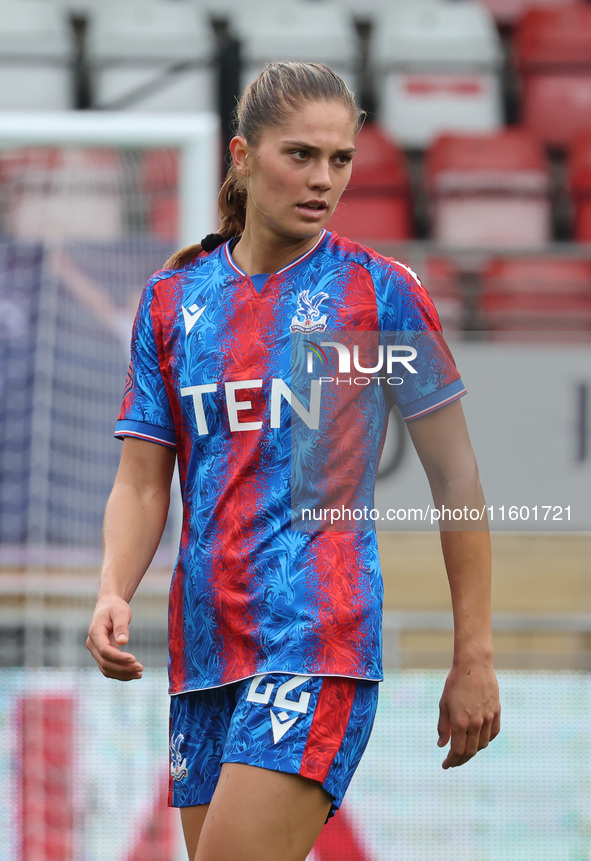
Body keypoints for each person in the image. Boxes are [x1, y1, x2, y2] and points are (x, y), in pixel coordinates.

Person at [86, 61, 500, 861]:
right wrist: (112, 586)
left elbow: (457, 479)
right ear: (242, 156)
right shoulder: (172, 302)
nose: (323, 180)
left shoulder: (380, 295)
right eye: (300, 155)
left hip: (318, 641)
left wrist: (473, 654)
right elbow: (143, 478)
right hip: (204, 653)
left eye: (339, 159)